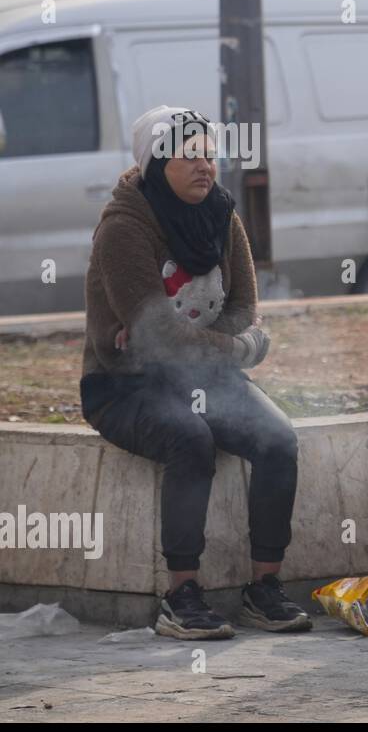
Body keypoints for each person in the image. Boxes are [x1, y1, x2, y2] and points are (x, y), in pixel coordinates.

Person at [80, 106, 310, 640]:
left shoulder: (223, 217)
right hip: (124, 386)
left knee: (278, 440)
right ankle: (181, 594)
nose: (205, 166)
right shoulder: (124, 229)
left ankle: (264, 590)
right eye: (189, 155)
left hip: (203, 377)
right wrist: (239, 347)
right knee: (191, 438)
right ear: (156, 163)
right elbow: (158, 337)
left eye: (210, 154)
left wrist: (210, 343)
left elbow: (241, 308)